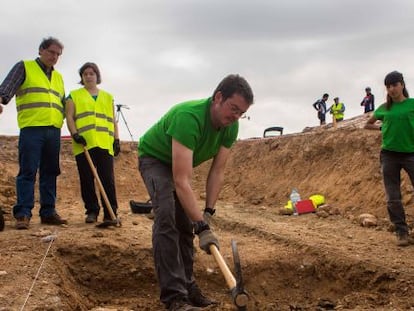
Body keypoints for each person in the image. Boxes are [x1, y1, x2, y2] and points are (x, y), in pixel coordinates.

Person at [138, 74, 254, 311]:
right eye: (233, 108)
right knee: (167, 217)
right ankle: (174, 298)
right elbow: (181, 181)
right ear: (218, 97)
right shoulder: (188, 117)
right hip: (155, 159)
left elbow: (217, 172)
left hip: (178, 167)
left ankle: (188, 287)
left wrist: (207, 213)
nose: (236, 117)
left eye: (241, 113)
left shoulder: (230, 127)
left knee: (186, 225)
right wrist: (201, 225)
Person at [0, 37, 67, 230]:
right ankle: (23, 213)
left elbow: (62, 103)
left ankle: (48, 211)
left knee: (50, 171)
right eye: (51, 52)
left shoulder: (59, 77)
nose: (54, 57)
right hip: (32, 129)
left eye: (58, 55)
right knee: (28, 171)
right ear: (41, 50)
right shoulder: (25, 67)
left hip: (54, 130)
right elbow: (7, 86)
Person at [65, 62, 120, 225]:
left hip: (104, 143)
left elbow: (113, 121)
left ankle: (111, 213)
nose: (89, 76)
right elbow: (69, 117)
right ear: (82, 77)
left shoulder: (108, 97)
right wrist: (75, 134)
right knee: (87, 179)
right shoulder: (74, 95)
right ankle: (92, 211)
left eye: (92, 73)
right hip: (84, 144)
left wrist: (116, 140)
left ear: (97, 76)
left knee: (107, 179)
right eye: (85, 74)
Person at [364, 71, 414, 247]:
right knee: (393, 196)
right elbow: (367, 124)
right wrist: (381, 129)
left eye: (394, 85)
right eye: (388, 86)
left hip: (410, 153)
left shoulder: (412, 104)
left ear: (402, 85)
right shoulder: (385, 108)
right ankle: (402, 232)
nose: (392, 89)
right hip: (389, 155)